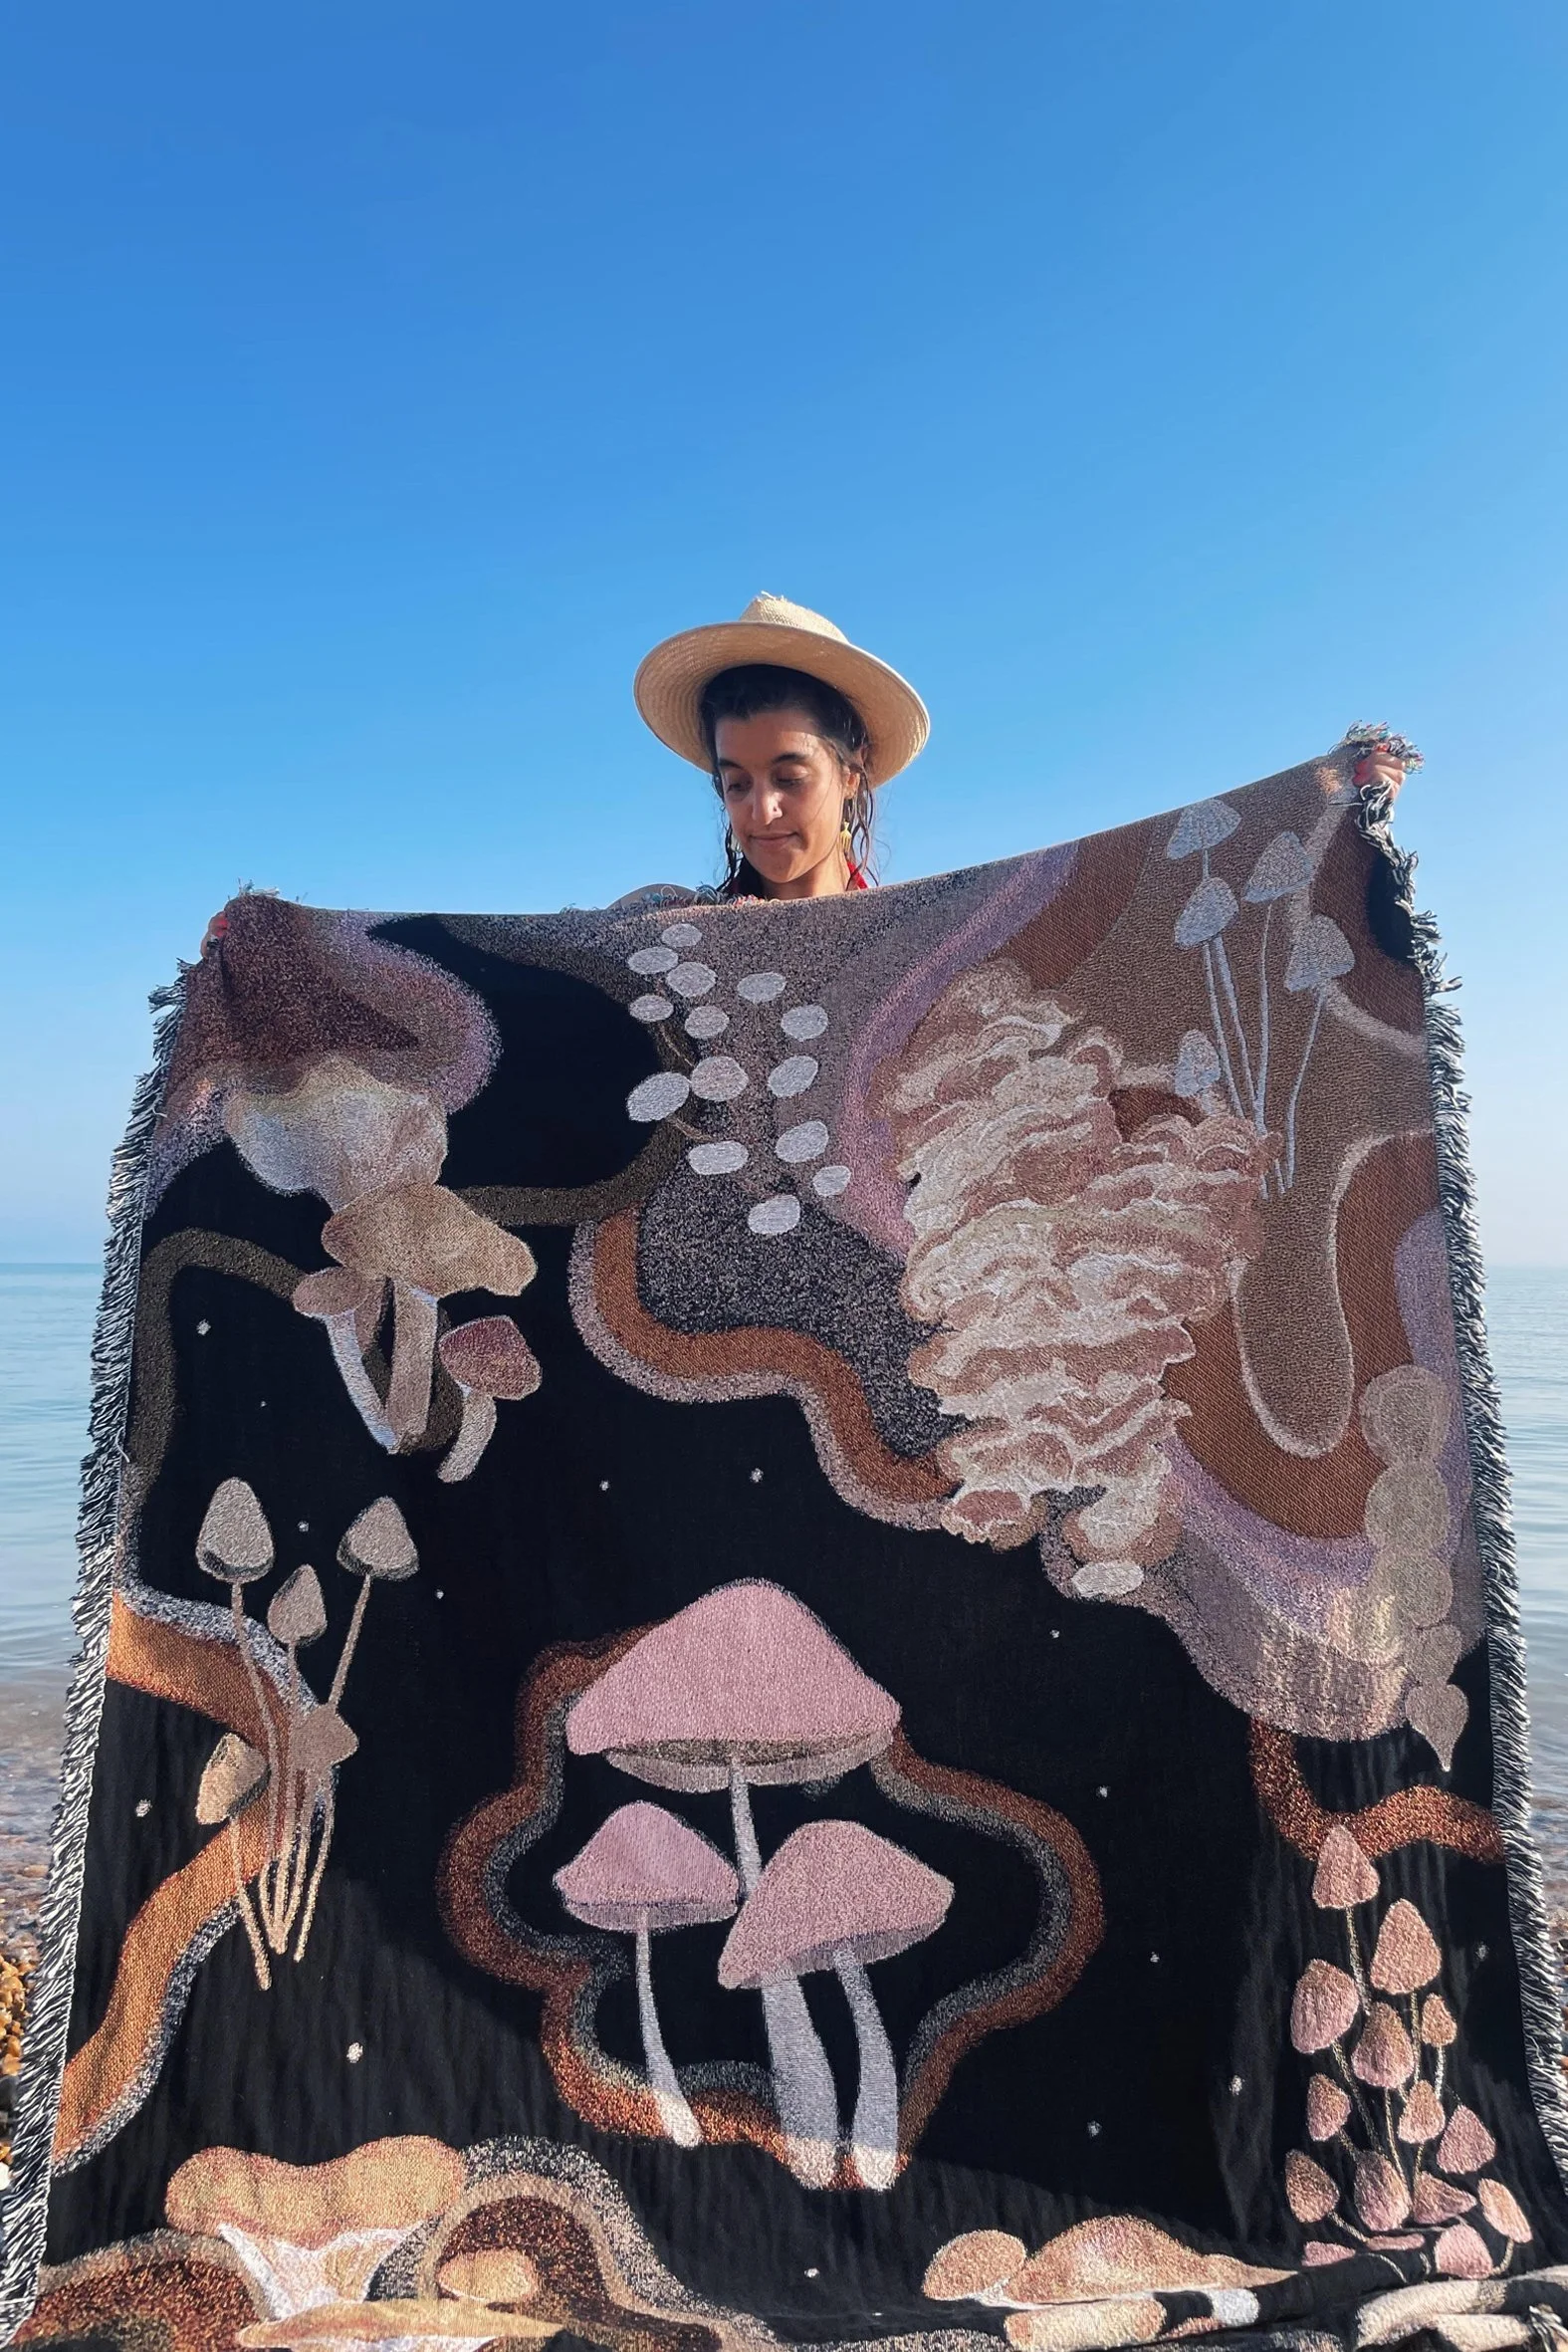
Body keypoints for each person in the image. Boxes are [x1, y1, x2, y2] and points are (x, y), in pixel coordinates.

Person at [630, 593, 929, 903]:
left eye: (789, 778)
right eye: (737, 784)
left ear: (852, 773)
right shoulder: (662, 918)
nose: (762, 812)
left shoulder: (924, 929)